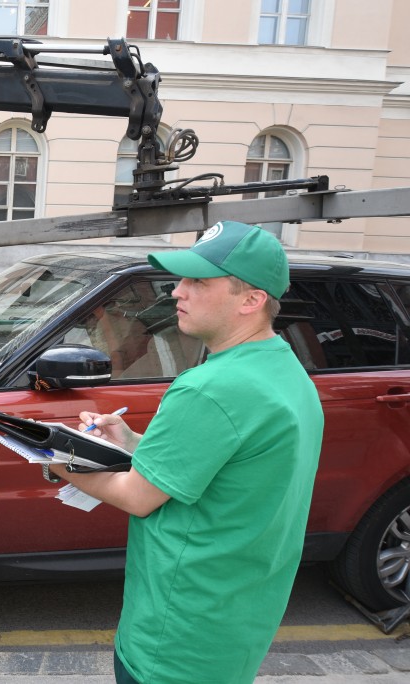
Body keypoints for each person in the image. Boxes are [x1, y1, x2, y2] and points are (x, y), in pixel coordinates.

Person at [48, 221, 324, 683]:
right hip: (235, 622)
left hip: (176, 637)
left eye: (198, 281)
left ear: (251, 300)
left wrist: (59, 460)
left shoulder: (209, 387)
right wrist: (133, 442)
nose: (177, 292)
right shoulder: (286, 369)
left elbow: (137, 496)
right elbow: (228, 464)